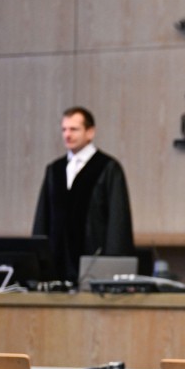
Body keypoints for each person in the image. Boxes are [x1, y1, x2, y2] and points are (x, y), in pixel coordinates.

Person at [32, 106, 134, 284]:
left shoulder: (108, 168)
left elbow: (118, 221)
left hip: (94, 261)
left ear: (90, 132)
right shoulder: (54, 170)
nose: (67, 135)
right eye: (64, 129)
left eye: (74, 129)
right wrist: (38, 259)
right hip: (58, 265)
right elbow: (43, 218)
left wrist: (112, 267)